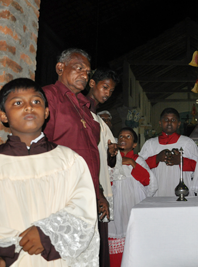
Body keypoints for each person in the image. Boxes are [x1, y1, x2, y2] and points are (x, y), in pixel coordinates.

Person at [0, 78, 99, 267]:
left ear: (46, 112)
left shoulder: (69, 160)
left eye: (36, 101)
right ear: (3, 116)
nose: (29, 107)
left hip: (58, 259)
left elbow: (84, 211)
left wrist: (47, 234)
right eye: (18, 103)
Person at [42, 48, 109, 266]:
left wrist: (98, 193)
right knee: (61, 257)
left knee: (85, 258)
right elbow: (37, 147)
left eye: (88, 72)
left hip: (87, 197)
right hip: (61, 196)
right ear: (60, 68)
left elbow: (91, 155)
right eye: (79, 68)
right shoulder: (47, 97)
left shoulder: (84, 108)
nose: (85, 75)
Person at [107, 127, 157, 267]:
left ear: (135, 144)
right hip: (116, 208)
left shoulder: (138, 160)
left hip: (133, 206)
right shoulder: (108, 159)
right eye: (121, 136)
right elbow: (105, 183)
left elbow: (149, 182)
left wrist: (132, 163)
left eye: (128, 137)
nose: (123, 139)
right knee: (116, 246)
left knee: (135, 245)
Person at [86, 68, 120, 267]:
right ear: (92, 84)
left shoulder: (99, 121)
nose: (107, 93)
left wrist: (111, 154)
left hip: (99, 186)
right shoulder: (82, 115)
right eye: (104, 87)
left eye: (111, 90)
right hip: (86, 186)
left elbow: (110, 164)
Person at [139, 108, 198, 196]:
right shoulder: (150, 144)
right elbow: (140, 167)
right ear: (160, 123)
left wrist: (181, 161)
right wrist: (156, 158)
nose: (169, 123)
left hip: (183, 191)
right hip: (158, 191)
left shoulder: (188, 142)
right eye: (166, 120)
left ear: (179, 124)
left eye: (173, 120)